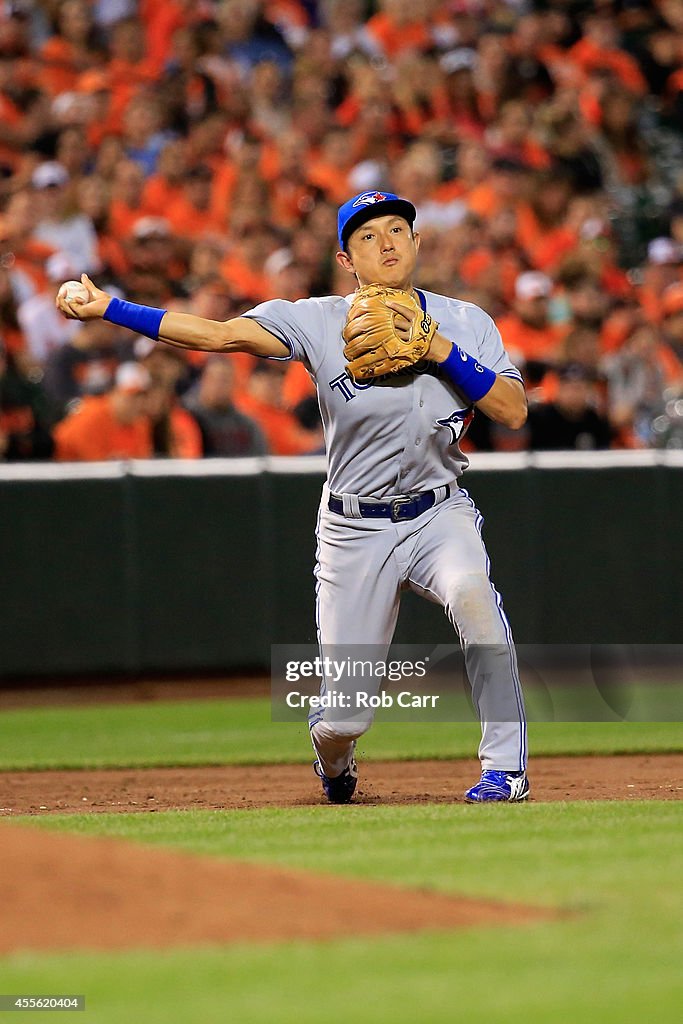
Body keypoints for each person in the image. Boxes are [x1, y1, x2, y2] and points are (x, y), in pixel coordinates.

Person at [56, 190, 529, 804]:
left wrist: (442, 351)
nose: (385, 242)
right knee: (345, 718)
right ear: (346, 259)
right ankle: (333, 757)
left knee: (475, 599)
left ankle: (505, 770)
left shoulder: (467, 322)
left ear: (417, 242)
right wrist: (110, 308)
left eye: (396, 230)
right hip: (355, 528)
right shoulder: (317, 319)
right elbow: (220, 335)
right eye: (366, 237)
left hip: (440, 510)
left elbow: (513, 410)